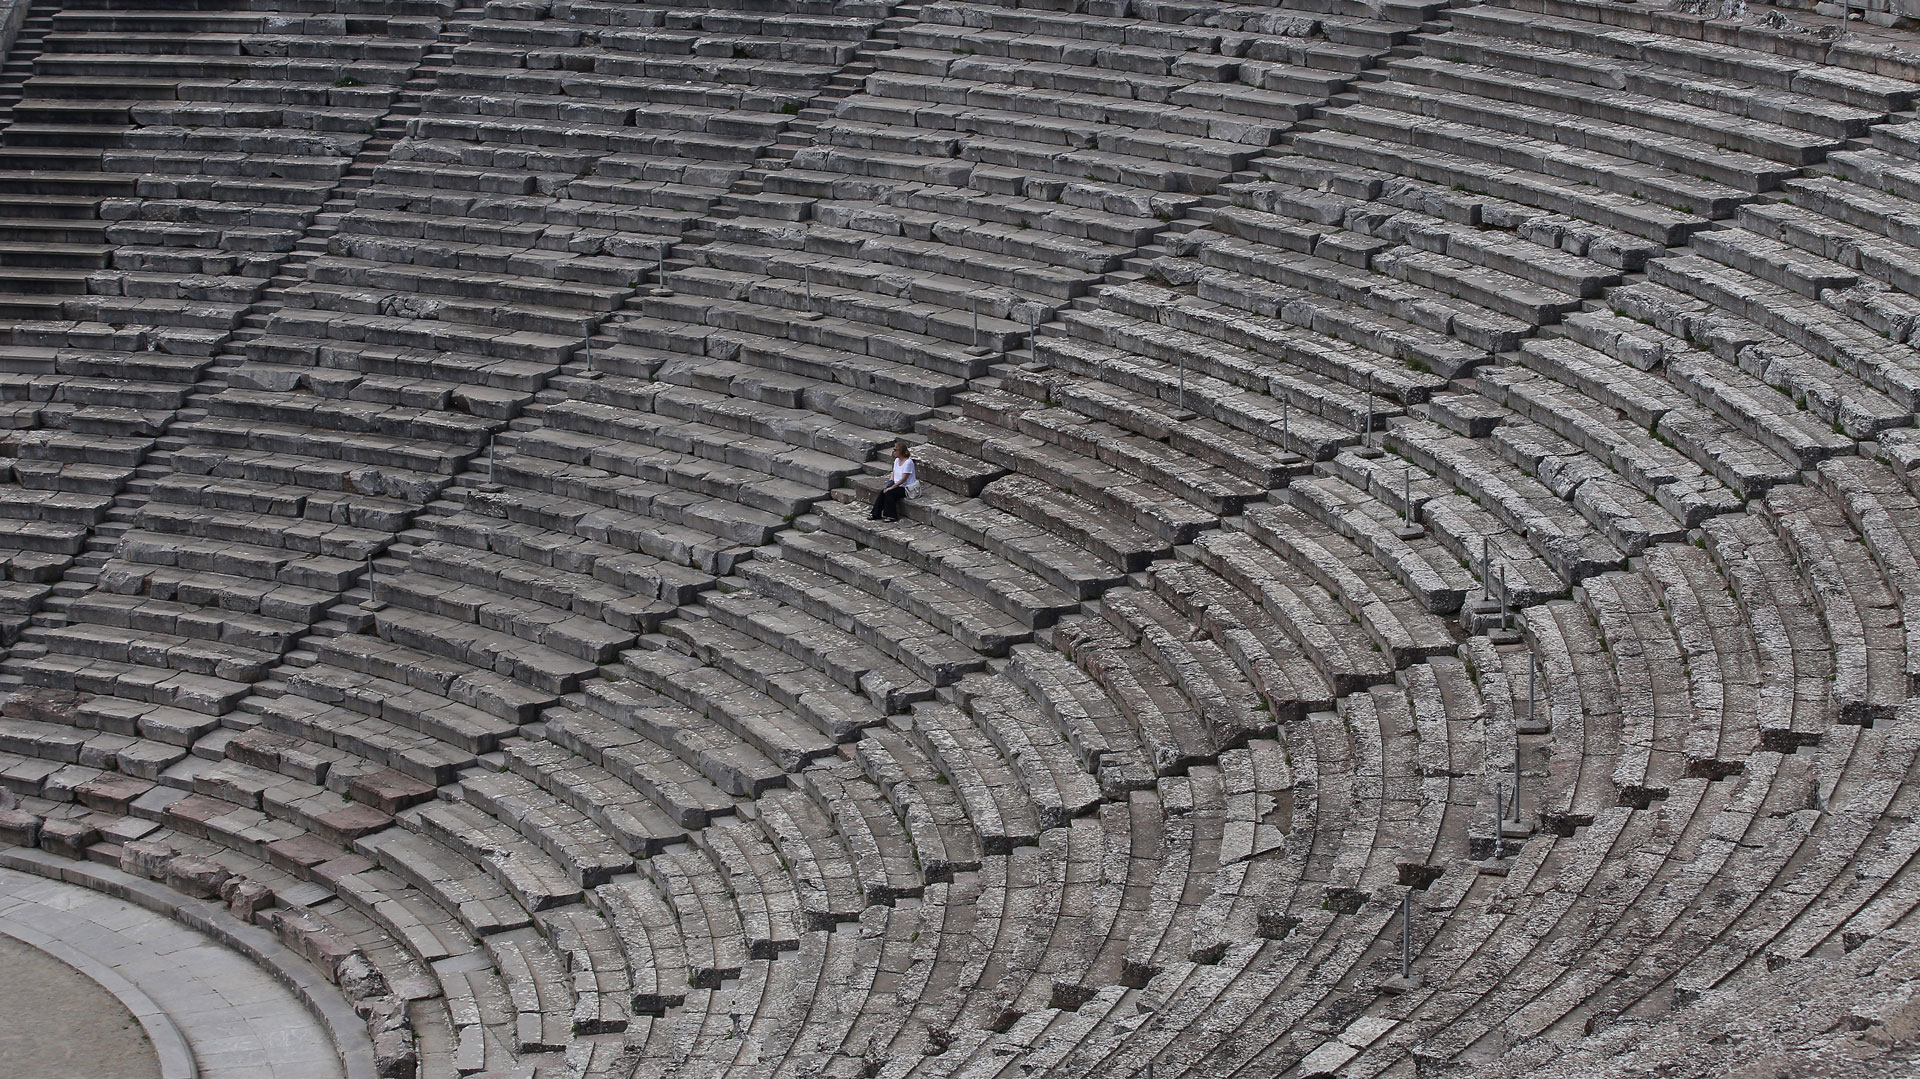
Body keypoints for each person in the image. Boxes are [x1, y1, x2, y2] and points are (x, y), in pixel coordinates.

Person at [870, 441, 916, 522]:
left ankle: (891, 515)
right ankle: (875, 513)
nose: (893, 452)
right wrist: (888, 485)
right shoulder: (897, 461)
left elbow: (903, 479)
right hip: (897, 484)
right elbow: (893, 473)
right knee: (883, 492)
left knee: (889, 493)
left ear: (900, 451)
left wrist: (891, 488)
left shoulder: (908, 462)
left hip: (906, 487)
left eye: (895, 450)